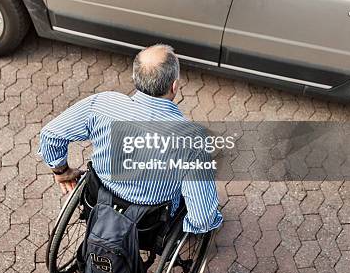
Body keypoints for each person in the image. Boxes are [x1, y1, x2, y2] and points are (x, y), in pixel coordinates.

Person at [38, 44, 223, 233]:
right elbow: (202, 217)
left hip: (99, 200)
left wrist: (62, 172)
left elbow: (51, 134)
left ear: (135, 78)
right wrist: (202, 224)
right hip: (149, 223)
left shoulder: (102, 104)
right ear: (174, 86)